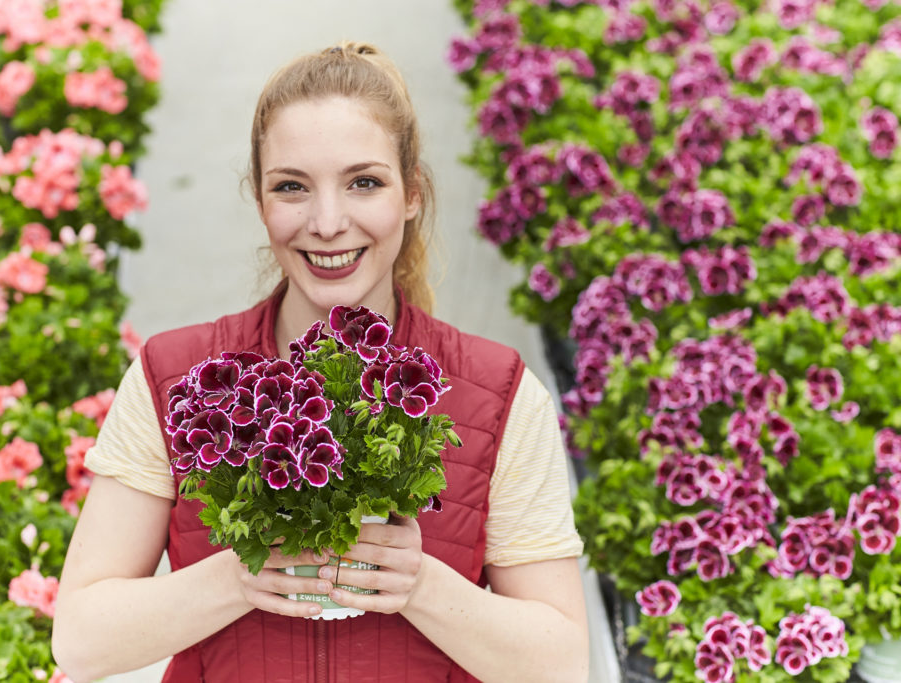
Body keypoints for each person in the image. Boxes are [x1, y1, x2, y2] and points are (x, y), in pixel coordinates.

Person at [52, 42, 589, 682]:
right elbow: (81, 640)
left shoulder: (497, 392)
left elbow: (560, 665)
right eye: (291, 187)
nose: (327, 222)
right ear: (260, 200)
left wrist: (419, 586)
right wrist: (240, 573)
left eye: (364, 182)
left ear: (412, 193)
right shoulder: (174, 376)